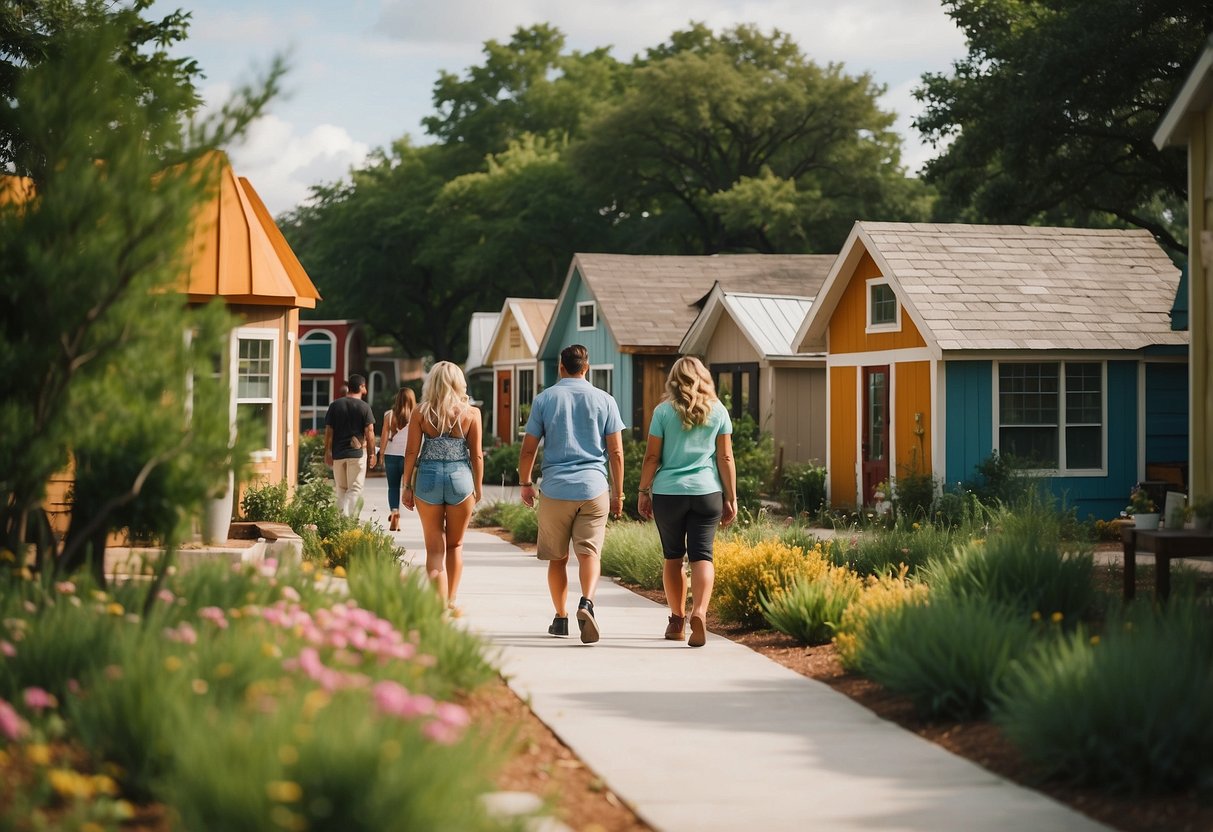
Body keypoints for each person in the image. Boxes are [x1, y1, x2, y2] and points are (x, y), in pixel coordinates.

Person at [518, 344, 625, 644]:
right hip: (593, 488)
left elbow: (529, 448)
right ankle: (587, 603)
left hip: (555, 489)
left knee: (558, 557)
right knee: (589, 553)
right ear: (586, 368)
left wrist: (525, 482)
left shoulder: (545, 399)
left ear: (561, 367)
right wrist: (619, 493)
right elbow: (615, 451)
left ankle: (561, 617)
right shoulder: (605, 400)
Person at [636, 356, 736, 647]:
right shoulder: (719, 411)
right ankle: (700, 613)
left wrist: (643, 491)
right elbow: (726, 457)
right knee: (702, 555)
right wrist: (731, 497)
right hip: (707, 492)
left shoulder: (663, 412)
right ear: (704, 377)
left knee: (673, 556)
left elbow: (652, 457)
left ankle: (677, 621)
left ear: (673, 380)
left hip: (669, 493)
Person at [401, 361, 483, 614]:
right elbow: (477, 455)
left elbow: (412, 451)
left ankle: (437, 604)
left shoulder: (420, 412)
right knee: (455, 545)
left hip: (428, 478)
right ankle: (451, 599)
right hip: (460, 478)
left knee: (434, 548)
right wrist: (478, 488)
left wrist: (406, 486)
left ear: (432, 383)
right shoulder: (471, 413)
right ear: (459, 382)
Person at [324, 374, 376, 517]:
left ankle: (341, 521)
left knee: (341, 489)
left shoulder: (335, 405)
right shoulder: (364, 407)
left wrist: (327, 452)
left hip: (338, 454)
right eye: (364, 385)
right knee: (355, 489)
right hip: (357, 454)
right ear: (361, 387)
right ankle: (352, 523)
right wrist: (372, 454)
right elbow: (370, 431)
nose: (365, 388)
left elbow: (329, 431)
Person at [379, 387, 416, 532]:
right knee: (408, 487)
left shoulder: (389, 415)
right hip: (409, 456)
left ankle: (394, 512)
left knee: (393, 487)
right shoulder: (417, 415)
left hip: (391, 456)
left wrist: (381, 454)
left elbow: (383, 436)